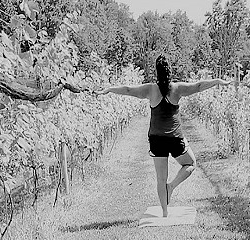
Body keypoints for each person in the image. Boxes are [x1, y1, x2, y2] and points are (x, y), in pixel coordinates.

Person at [94, 55, 231, 216]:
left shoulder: (151, 89)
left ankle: (165, 212)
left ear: (156, 72)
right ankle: (171, 186)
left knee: (160, 179)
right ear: (170, 71)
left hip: (156, 139)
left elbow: (128, 89)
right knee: (191, 163)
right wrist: (217, 81)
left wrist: (109, 89)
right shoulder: (177, 88)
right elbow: (199, 86)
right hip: (175, 138)